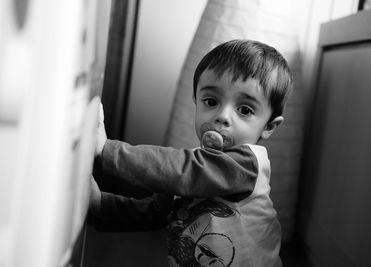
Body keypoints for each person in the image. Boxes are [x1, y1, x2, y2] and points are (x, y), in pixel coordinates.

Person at [90, 39, 293, 267]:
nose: (223, 116)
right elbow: (156, 212)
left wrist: (107, 150)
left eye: (244, 110)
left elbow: (182, 169)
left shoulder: (246, 164)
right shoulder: (196, 170)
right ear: (196, 101)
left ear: (268, 126)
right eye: (211, 101)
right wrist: (102, 205)